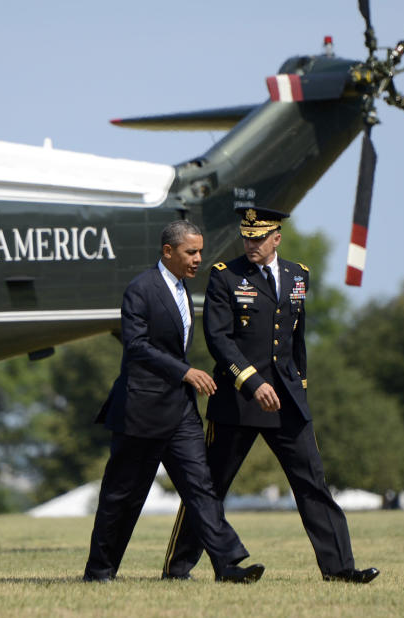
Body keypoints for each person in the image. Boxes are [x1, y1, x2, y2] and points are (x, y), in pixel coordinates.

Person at [161, 207, 379, 584]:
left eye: (259, 238)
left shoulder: (298, 275)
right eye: (247, 237)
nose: (251, 244)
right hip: (238, 401)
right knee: (209, 487)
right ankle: (178, 569)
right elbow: (219, 339)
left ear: (276, 238)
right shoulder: (225, 277)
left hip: (288, 402)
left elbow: (297, 340)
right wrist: (251, 382)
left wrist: (301, 387)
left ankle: (340, 569)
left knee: (313, 485)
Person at [83, 220, 265, 583]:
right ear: (168, 252)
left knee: (201, 488)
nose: (199, 259)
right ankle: (100, 572)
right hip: (140, 411)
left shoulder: (184, 289)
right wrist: (184, 372)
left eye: (200, 251)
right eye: (191, 252)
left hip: (180, 412)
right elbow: (135, 346)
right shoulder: (141, 289)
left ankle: (227, 565)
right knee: (123, 497)